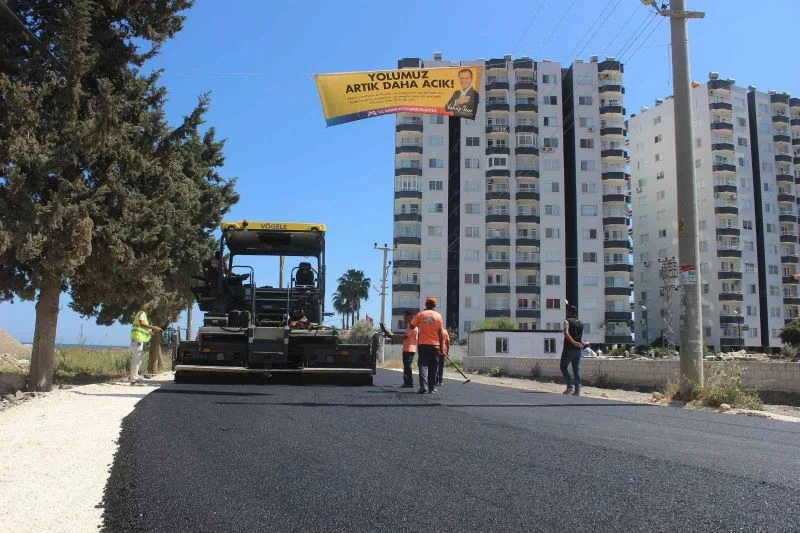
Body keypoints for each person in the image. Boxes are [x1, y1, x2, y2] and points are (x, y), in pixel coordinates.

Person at [410, 296, 444, 394]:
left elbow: (411, 326)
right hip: (435, 346)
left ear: (426, 304)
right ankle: (431, 388)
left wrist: (419, 323)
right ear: (435, 305)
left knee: (423, 366)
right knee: (433, 367)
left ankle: (423, 386)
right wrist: (441, 348)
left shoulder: (421, 314)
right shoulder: (438, 316)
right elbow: (441, 333)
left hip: (423, 345)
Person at [381, 310, 418, 388]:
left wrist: (392, 335)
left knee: (407, 366)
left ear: (410, 317)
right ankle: (407, 382)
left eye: (405, 316)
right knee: (407, 366)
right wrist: (392, 335)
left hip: (409, 349)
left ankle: (409, 383)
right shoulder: (411, 325)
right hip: (410, 349)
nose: (403, 318)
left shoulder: (412, 326)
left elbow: (405, 336)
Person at [130, 305, 161, 386]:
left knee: (136, 360)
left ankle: (133, 378)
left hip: (137, 339)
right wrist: (154, 327)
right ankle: (134, 379)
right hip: (137, 339)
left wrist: (155, 331)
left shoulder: (143, 316)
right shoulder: (142, 313)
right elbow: (142, 324)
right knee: (136, 360)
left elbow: (146, 331)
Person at [561, 305, 585, 396]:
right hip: (578, 350)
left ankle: (570, 386)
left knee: (563, 367)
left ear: (570, 312)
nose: (566, 313)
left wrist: (574, 342)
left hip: (569, 348)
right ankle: (577, 390)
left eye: (567, 312)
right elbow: (579, 337)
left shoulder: (567, 321)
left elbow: (566, 334)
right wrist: (578, 343)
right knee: (576, 369)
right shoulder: (581, 323)